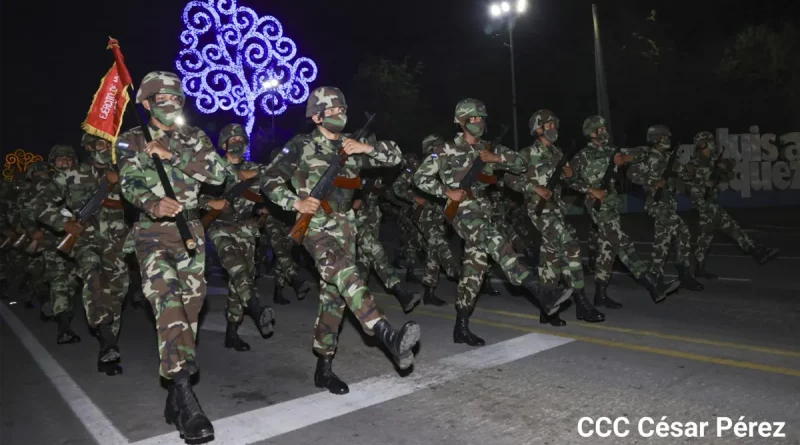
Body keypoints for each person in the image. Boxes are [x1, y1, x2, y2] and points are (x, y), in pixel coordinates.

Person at [261, 86, 421, 395]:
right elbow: (268, 179)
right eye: (332, 110)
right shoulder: (301, 145)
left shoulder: (352, 146)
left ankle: (324, 368)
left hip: (347, 227)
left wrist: (366, 149)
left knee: (334, 298)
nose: (339, 114)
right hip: (315, 226)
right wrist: (294, 202)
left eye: (341, 109)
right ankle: (387, 334)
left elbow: (396, 156)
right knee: (346, 273)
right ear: (317, 116)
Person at [117, 71, 227, 442]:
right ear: (146, 104)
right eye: (161, 100)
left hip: (191, 234)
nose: (170, 105)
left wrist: (173, 154)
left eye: (176, 99)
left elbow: (218, 175)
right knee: (168, 306)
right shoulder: (130, 140)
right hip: (151, 235)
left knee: (190, 317)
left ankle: (173, 397)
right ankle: (187, 402)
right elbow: (128, 183)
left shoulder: (193, 138)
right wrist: (152, 202)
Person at [414, 99, 572, 345]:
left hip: (483, 210)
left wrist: (496, 158)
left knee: (474, 270)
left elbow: (521, 163)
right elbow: (420, 177)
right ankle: (541, 291)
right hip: (462, 212)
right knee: (498, 242)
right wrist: (446, 191)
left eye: (480, 118)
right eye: (472, 118)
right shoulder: (443, 150)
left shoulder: (489, 147)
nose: (477, 122)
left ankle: (461, 326)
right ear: (460, 121)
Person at [36, 133, 130, 375]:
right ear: (89, 147)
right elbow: (40, 204)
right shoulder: (71, 175)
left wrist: (121, 181)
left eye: (109, 144)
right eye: (100, 144)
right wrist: (63, 224)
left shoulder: (125, 173)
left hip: (117, 243)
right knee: (92, 275)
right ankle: (106, 338)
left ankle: (109, 346)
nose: (105, 148)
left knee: (117, 293)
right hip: (85, 240)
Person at [571, 116, 681, 308]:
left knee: (608, 248)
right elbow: (568, 178)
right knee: (623, 243)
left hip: (612, 204)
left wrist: (625, 158)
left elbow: (644, 153)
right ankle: (653, 284)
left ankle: (600, 295)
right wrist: (589, 189)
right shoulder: (582, 156)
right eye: (600, 129)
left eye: (605, 128)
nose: (604, 132)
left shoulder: (611, 152)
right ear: (591, 133)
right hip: (597, 205)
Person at [509, 109, 605, 325]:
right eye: (548, 125)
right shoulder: (526, 154)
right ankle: (582, 304)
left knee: (551, 257)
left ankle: (547, 309)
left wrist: (586, 187)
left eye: (554, 124)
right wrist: (534, 188)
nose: (553, 128)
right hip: (540, 210)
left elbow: (569, 181)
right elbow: (508, 179)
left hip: (557, 208)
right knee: (570, 245)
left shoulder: (557, 153)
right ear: (538, 128)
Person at [201, 123, 278, 352]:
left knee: (241, 282)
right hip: (220, 228)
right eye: (232, 140)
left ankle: (232, 332)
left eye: (241, 140)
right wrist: (209, 203)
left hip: (246, 229)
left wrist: (257, 173)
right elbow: (188, 197)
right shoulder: (212, 168)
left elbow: (278, 171)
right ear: (224, 144)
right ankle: (257, 309)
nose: (237, 143)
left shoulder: (252, 167)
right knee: (237, 271)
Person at [682, 131, 779, 277]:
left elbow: (730, 167)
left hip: (711, 203)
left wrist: (724, 167)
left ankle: (698, 268)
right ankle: (756, 251)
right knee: (732, 228)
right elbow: (687, 183)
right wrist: (703, 183)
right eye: (708, 144)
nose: (711, 146)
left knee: (705, 238)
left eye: (711, 144)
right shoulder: (694, 163)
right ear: (702, 145)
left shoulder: (714, 159)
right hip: (704, 205)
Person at [627, 125, 704, 291]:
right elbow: (631, 175)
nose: (667, 140)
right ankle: (682, 274)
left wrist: (692, 168)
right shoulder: (646, 156)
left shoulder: (669, 158)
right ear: (655, 138)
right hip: (656, 204)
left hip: (669, 203)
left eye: (668, 137)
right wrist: (652, 182)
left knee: (663, 240)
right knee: (682, 231)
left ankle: (656, 275)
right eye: (664, 137)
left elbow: (686, 175)